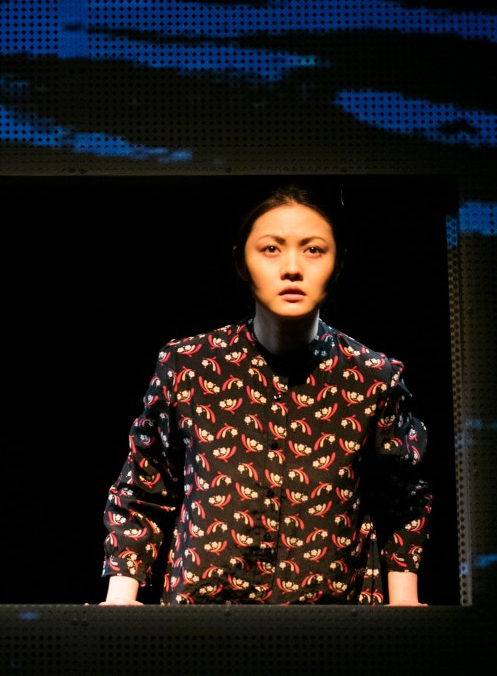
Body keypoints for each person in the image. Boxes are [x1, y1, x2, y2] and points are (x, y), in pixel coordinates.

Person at [100, 185, 432, 606]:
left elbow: (402, 499)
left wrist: (404, 608)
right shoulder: (190, 366)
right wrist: (119, 601)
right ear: (242, 262)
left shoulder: (372, 378)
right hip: (203, 617)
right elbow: (144, 485)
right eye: (271, 249)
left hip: (336, 623)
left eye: (313, 250)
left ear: (338, 264)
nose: (292, 268)